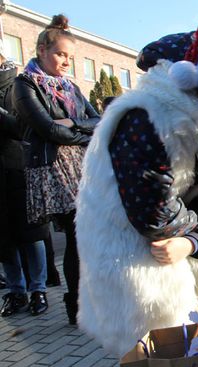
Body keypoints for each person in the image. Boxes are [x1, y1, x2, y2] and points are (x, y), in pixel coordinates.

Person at [75, 8, 198, 357]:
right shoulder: (151, 119)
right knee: (152, 355)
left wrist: (191, 241)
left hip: (174, 252)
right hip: (130, 254)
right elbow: (152, 213)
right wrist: (196, 237)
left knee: (186, 352)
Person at [12, 15, 100, 323]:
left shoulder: (71, 87)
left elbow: (98, 121)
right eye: (61, 54)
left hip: (82, 169)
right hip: (52, 172)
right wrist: (79, 131)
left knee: (87, 237)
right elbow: (50, 131)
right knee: (77, 237)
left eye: (70, 57)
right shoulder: (24, 85)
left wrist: (74, 123)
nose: (65, 61)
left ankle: (86, 302)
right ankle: (76, 306)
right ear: (41, 50)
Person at [0, 40, 49, 317]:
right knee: (3, 238)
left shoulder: (19, 85)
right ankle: (16, 291)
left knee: (32, 234)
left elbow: (25, 128)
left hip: (19, 169)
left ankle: (38, 289)